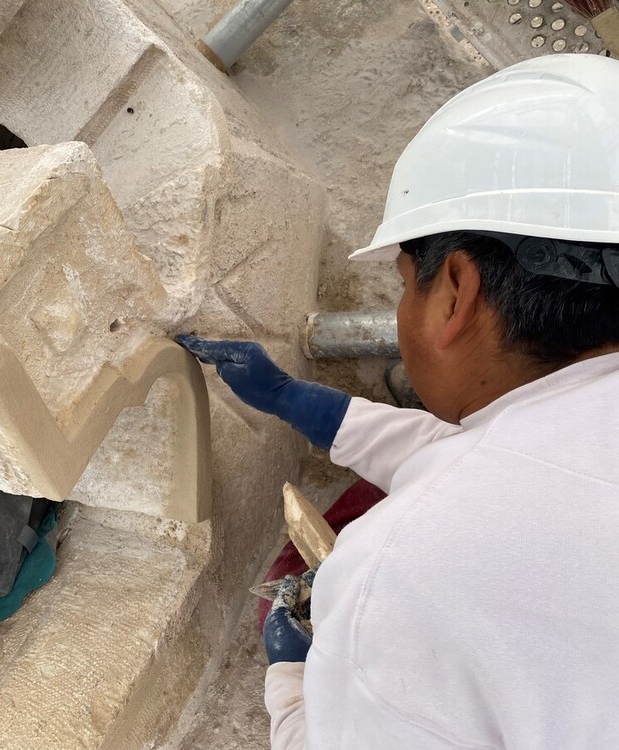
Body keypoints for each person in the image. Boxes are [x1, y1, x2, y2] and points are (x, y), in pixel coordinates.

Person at [178, 54, 619, 749]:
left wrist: (292, 685)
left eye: (405, 284)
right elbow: (496, 461)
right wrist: (297, 401)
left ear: (454, 290)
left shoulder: (402, 577)